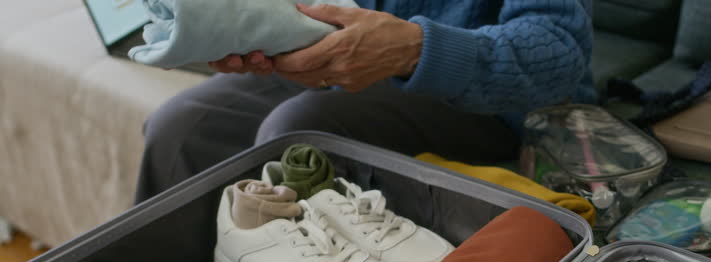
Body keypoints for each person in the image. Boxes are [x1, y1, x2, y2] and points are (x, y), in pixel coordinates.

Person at [134, 0, 596, 203]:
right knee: (184, 126)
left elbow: (556, 53)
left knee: (302, 133)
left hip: (495, 103)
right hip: (354, 69)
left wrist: (412, 48)